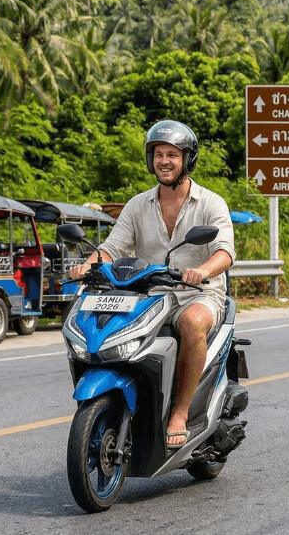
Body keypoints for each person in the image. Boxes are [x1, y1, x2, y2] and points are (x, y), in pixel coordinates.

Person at [69, 120, 235, 447]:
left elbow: (225, 251)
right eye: (159, 154)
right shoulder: (137, 205)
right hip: (149, 294)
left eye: (172, 155)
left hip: (197, 294)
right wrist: (87, 266)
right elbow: (112, 247)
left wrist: (201, 270)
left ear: (187, 159)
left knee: (191, 323)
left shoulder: (210, 203)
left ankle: (180, 413)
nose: (164, 161)